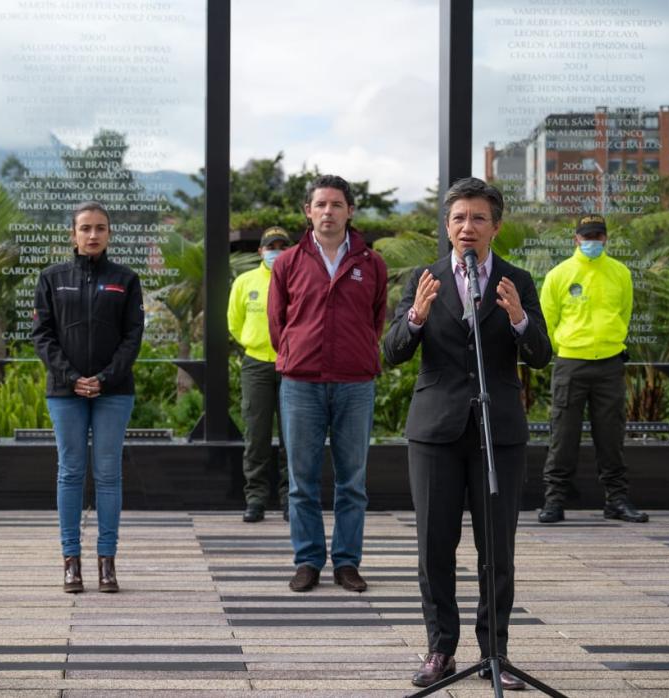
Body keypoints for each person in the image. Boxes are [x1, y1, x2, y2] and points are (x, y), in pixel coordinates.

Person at [383, 177, 551, 690]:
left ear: (495, 227)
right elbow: (391, 352)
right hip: (435, 432)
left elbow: (542, 355)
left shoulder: (516, 280)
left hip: (497, 430)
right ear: (447, 226)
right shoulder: (424, 277)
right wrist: (416, 317)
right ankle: (440, 651)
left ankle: (495, 652)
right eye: (458, 218)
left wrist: (521, 319)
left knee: (496, 548)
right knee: (435, 547)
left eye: (478, 218)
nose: (467, 227)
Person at [268, 174, 387, 594]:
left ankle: (347, 563)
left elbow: (376, 320)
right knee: (301, 480)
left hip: (355, 383)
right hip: (301, 382)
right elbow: (277, 324)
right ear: (308, 211)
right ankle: (307, 561)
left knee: (352, 481)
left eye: (337, 204)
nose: (328, 212)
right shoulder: (287, 263)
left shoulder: (371, 264)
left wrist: (355, 354)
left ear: (349, 211)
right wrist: (299, 353)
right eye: (321, 205)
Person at [32, 201, 144, 595]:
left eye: (100, 228)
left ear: (109, 234)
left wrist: (105, 378)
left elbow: (134, 336)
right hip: (65, 392)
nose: (93, 235)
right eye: (85, 228)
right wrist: (72, 376)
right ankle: (71, 563)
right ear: (73, 234)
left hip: (113, 392)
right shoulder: (51, 278)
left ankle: (107, 563)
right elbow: (42, 335)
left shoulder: (126, 279)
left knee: (109, 474)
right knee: (71, 471)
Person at [538, 214, 648, 524]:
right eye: (587, 237)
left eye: (598, 236)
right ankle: (554, 501)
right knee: (563, 434)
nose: (592, 242)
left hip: (610, 364)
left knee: (611, 436)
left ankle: (617, 500)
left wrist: (610, 343)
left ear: (606, 239)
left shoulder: (620, 273)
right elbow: (547, 321)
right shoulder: (559, 275)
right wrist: (565, 347)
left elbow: (623, 314)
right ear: (576, 239)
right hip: (570, 363)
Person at [228, 226, 290, 523]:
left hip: (291, 364)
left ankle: (291, 499)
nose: (275, 252)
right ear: (260, 251)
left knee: (293, 434)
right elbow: (234, 322)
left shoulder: (296, 278)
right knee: (257, 433)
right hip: (256, 364)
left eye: (281, 246)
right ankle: (256, 499)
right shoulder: (245, 281)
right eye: (270, 247)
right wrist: (254, 342)